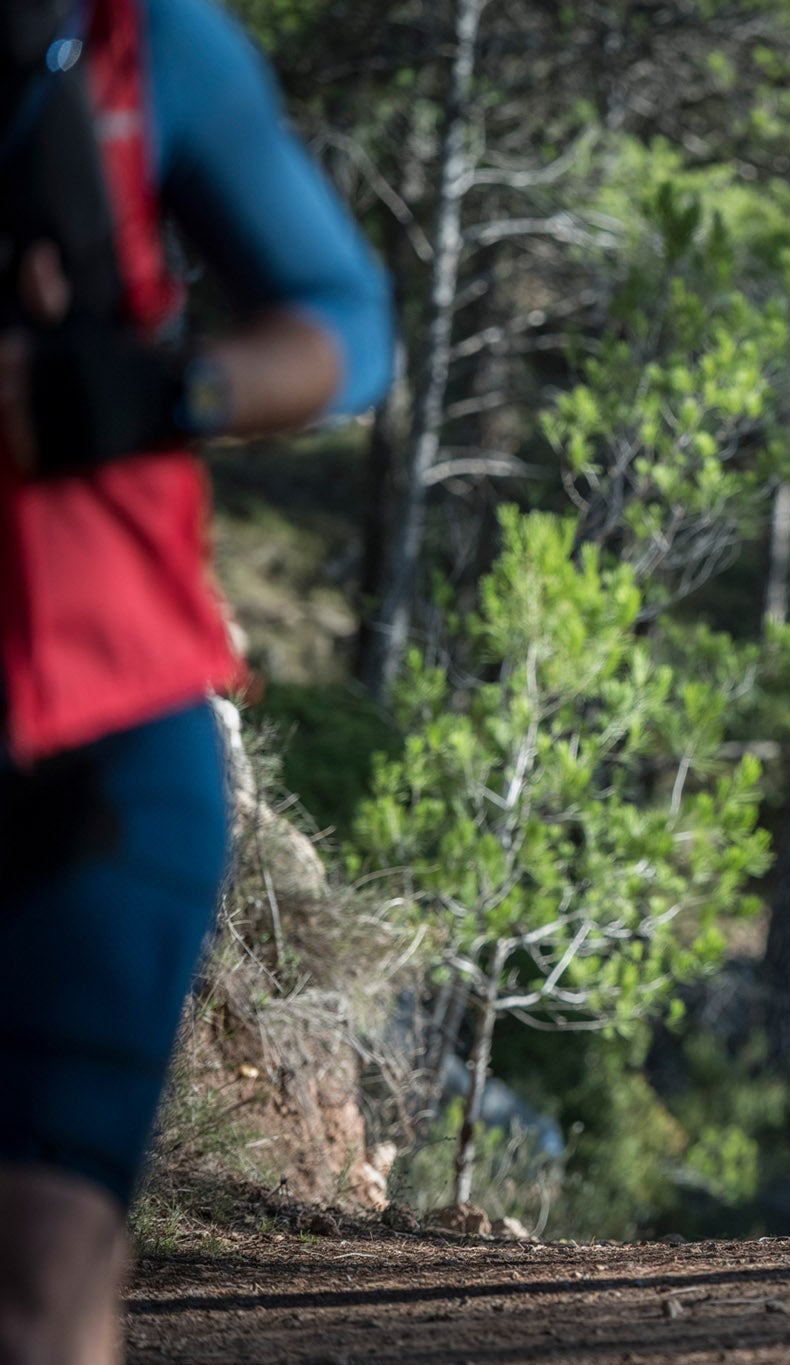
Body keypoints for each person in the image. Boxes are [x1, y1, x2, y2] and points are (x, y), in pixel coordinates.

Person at [0, 1, 392, 1359]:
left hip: (103, 730)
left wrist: (150, 394)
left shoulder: (141, 46)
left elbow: (350, 327)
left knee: (42, 1260)